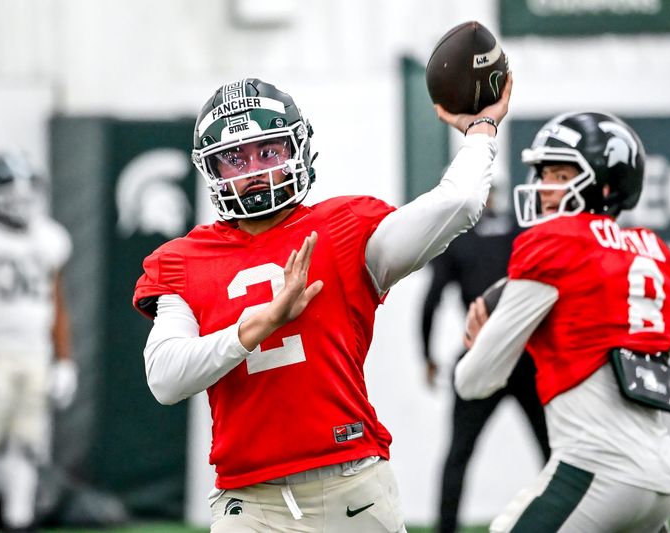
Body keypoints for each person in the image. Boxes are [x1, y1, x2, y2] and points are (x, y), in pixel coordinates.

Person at [132, 75, 512, 532]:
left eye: (268, 152)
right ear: (212, 170)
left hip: (352, 484)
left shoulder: (345, 228)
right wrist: (262, 323)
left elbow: (461, 202)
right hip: (250, 502)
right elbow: (165, 380)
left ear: (298, 150)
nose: (254, 170)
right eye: (235, 159)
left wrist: (481, 130)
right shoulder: (183, 260)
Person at [455, 111, 670, 532]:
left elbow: (474, 382)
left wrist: (486, 333)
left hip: (597, 468)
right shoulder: (656, 254)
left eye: (561, 175)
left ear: (606, 184)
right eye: (543, 174)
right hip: (663, 477)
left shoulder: (556, 245)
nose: (544, 188)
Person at [0, 151, 77, 532]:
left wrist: (64, 360)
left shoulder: (48, 239)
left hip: (35, 355)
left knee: (27, 445)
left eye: (27, 192)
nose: (21, 201)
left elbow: (56, 305)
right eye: (10, 192)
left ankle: (18, 519)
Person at [419, 194, 550, 533]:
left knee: (458, 453)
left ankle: (446, 529)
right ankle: (570, 523)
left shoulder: (458, 241)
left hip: (485, 354)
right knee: (554, 452)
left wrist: (427, 356)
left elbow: (430, 302)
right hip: (526, 355)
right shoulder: (521, 233)